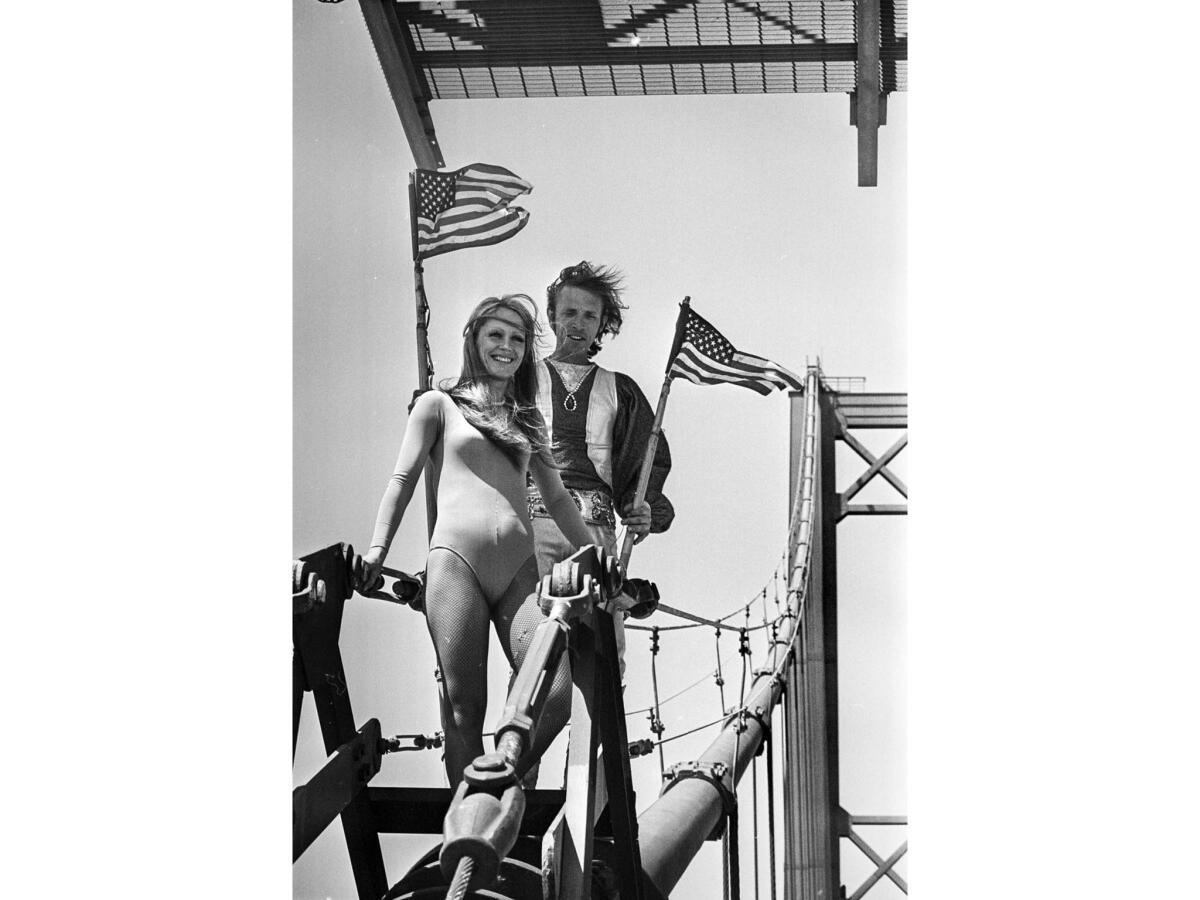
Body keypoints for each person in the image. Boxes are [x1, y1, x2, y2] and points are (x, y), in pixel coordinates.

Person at [360, 294, 597, 789]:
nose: (506, 346)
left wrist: (597, 555)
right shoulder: (437, 405)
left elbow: (556, 498)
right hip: (456, 566)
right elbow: (402, 481)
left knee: (554, 688)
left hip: (518, 571)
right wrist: (377, 553)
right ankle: (467, 811)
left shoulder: (527, 417)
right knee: (466, 707)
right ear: (473, 340)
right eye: (496, 334)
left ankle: (501, 777)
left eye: (517, 339)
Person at [527, 261, 674, 674]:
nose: (578, 323)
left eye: (590, 315)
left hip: (593, 534)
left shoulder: (620, 390)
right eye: (569, 312)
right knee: (533, 654)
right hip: (528, 530)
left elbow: (645, 464)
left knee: (602, 659)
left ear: (603, 325)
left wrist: (641, 509)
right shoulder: (522, 378)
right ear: (552, 315)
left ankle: (597, 738)